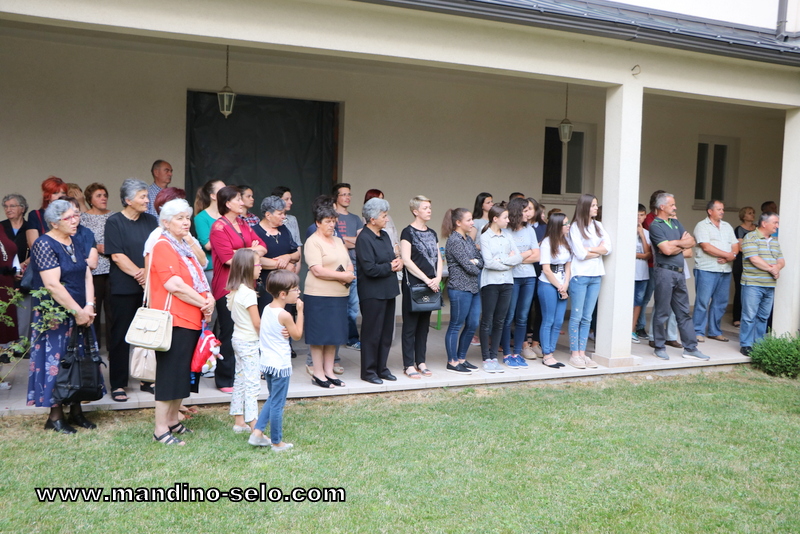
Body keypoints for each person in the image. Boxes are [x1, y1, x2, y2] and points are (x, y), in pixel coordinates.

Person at [26, 199, 98, 433]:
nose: (75, 220)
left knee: (79, 359)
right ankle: (55, 417)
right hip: (56, 314)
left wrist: (88, 305)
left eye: (77, 215)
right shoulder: (44, 244)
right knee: (58, 363)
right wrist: (76, 311)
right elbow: (52, 285)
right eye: (70, 217)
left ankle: (76, 411)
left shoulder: (75, 240)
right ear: (54, 222)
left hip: (81, 310)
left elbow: (86, 273)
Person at [149, 199, 214, 445]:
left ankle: (173, 420)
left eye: (187, 217)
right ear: (165, 222)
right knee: (169, 375)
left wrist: (206, 301)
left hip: (191, 318)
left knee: (181, 373)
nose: (186, 222)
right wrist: (204, 301)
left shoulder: (183, 246)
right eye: (179, 218)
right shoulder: (163, 245)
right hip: (174, 320)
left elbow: (198, 275)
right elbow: (174, 284)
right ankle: (160, 429)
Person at [209, 186, 267, 393]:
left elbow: (262, 246)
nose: (242, 203)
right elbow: (228, 259)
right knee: (229, 331)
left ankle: (240, 373)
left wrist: (245, 251)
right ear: (227, 203)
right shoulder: (218, 227)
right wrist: (250, 250)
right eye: (238, 200)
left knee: (245, 330)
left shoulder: (243, 223)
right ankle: (224, 379)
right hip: (227, 287)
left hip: (247, 285)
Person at [105, 179, 159, 402]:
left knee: (149, 334)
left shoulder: (151, 220)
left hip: (149, 287)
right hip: (123, 288)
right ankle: (118, 383)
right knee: (120, 336)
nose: (147, 200)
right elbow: (116, 255)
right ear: (128, 200)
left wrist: (147, 275)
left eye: (147, 196)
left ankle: (147, 379)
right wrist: (140, 274)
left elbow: (157, 249)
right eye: (143, 197)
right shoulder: (114, 222)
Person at [648, 192, 709, 361]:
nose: (675, 207)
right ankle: (659, 346)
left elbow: (691, 243)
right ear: (662, 207)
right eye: (672, 205)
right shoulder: (656, 225)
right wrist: (679, 244)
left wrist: (674, 243)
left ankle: (690, 348)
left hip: (679, 273)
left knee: (683, 312)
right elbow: (666, 251)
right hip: (664, 273)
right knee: (662, 311)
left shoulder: (675, 222)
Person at [249, 269, 303, 451]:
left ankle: (257, 432)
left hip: (268, 362)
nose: (298, 292)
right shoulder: (286, 315)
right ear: (283, 294)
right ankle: (277, 441)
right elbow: (297, 335)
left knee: (273, 398)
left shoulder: (267, 309)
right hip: (280, 364)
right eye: (295, 289)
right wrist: (300, 312)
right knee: (278, 404)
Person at [304, 201, 353, 388]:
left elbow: (348, 262)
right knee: (319, 336)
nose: (332, 225)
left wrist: (348, 273)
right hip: (318, 296)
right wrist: (343, 275)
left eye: (334, 221)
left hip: (339, 295)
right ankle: (318, 373)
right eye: (327, 221)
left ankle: (329, 371)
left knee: (333, 335)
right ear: (318, 222)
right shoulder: (312, 241)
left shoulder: (339, 241)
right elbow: (317, 270)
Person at [355, 197, 403, 384]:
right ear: (372, 219)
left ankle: (382, 368)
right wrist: (390, 267)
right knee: (371, 333)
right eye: (384, 216)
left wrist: (397, 262)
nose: (388, 219)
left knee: (385, 333)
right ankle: (368, 371)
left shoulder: (384, 235)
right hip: (372, 293)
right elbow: (370, 269)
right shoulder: (364, 238)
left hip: (388, 290)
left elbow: (390, 258)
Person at [567, 194, 611, 369]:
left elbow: (608, 248)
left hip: (596, 274)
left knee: (587, 317)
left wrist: (591, 249)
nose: (596, 208)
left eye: (596, 205)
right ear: (585, 207)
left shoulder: (598, 225)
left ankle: (583, 353)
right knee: (577, 316)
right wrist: (597, 250)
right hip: (580, 275)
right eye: (593, 205)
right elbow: (579, 254)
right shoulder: (575, 228)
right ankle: (574, 354)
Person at [400, 195, 442, 379]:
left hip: (432, 283)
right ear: (415, 211)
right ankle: (408, 364)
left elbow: (439, 258)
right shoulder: (407, 232)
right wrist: (427, 279)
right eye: (425, 208)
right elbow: (406, 260)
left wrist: (438, 277)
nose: (429, 210)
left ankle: (421, 361)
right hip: (415, 283)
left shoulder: (432, 233)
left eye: (430, 207)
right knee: (410, 326)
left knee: (424, 326)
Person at [479, 204, 521, 372]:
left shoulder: (508, 236)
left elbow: (518, 257)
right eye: (505, 217)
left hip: (507, 283)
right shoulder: (485, 237)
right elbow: (488, 262)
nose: (508, 220)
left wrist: (501, 261)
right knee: (487, 320)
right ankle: (485, 358)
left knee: (500, 321)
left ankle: (493, 356)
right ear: (495, 219)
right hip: (490, 283)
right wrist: (508, 262)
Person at [500, 197, 540, 368]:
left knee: (523, 317)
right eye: (524, 211)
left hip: (529, 278)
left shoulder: (529, 229)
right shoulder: (506, 230)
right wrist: (526, 255)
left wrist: (516, 258)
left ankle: (518, 352)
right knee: (508, 316)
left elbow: (537, 255)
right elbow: (503, 257)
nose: (528, 214)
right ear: (517, 211)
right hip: (511, 278)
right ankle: (507, 354)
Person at [226, 249, 262, 433]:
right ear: (248, 267)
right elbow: (256, 323)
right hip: (249, 342)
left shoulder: (235, 290)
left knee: (240, 380)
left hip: (238, 339)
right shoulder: (248, 293)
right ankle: (254, 423)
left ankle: (239, 420)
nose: (261, 267)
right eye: (258, 264)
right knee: (252, 382)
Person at [442, 208, 482, 374]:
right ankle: (452, 362)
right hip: (460, 288)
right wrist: (473, 263)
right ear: (458, 223)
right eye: (469, 220)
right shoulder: (454, 240)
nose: (472, 223)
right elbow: (470, 267)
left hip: (473, 288)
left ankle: (462, 358)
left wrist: (474, 262)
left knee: (473, 324)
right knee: (456, 325)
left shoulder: (468, 240)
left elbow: (481, 261)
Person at [692, 200, 738, 343]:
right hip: (707, 269)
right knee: (702, 301)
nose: (722, 211)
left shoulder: (727, 226)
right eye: (719, 209)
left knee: (720, 302)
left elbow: (735, 245)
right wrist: (727, 255)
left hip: (724, 270)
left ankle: (714, 331)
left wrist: (733, 255)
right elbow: (706, 247)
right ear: (710, 211)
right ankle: (697, 331)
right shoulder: (702, 225)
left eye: (722, 209)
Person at [739, 212, 784, 356]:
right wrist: (773, 269)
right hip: (753, 284)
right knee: (749, 316)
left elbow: (781, 260)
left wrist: (777, 268)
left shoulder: (774, 241)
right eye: (775, 223)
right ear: (764, 224)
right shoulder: (750, 237)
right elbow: (754, 259)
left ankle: (759, 344)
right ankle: (746, 344)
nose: (777, 226)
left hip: (769, 285)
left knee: (763, 316)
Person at [251, 196, 300, 311]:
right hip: (266, 287)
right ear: (268, 215)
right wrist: (283, 264)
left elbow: (296, 255)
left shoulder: (284, 229)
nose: (284, 217)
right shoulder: (254, 231)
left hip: (286, 287)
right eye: (280, 213)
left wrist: (287, 257)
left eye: (284, 213)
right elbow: (254, 259)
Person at [80, 183, 114, 349]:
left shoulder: (114, 216)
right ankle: (93, 345)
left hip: (114, 268)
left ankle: (112, 346)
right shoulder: (83, 217)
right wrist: (97, 248)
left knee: (112, 310)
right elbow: (81, 241)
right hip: (94, 270)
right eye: (99, 195)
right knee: (94, 307)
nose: (103, 198)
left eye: (105, 195)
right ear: (90, 200)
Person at [537, 212, 571, 368]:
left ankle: (551, 350)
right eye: (565, 223)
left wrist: (565, 285)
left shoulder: (566, 241)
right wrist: (559, 286)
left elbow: (568, 266)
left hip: (562, 285)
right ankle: (547, 354)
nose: (568, 225)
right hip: (548, 285)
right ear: (558, 225)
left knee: (558, 321)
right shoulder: (547, 243)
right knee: (549, 320)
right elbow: (546, 269)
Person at [332, 183, 363, 351]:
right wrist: (345, 240)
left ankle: (351, 338)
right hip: (336, 267)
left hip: (354, 266)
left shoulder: (356, 218)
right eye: (343, 194)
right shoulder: (331, 217)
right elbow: (334, 241)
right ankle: (337, 337)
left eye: (349, 194)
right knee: (337, 304)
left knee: (353, 305)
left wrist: (344, 239)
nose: (347, 197)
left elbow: (359, 241)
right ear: (336, 197)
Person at [2, 194, 29, 341]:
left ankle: (22, 345)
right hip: (5, 275)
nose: (8, 209)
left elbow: (36, 249)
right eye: (5, 206)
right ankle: (6, 346)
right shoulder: (1, 227)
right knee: (6, 311)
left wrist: (23, 266)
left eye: (12, 206)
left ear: (22, 208)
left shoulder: (30, 227)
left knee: (24, 312)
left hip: (26, 274)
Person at [523, 197, 547, 359]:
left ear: (537, 210)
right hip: (524, 272)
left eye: (530, 209)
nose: (527, 212)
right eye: (524, 210)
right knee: (524, 310)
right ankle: (524, 344)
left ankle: (536, 343)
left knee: (540, 310)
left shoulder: (546, 228)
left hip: (542, 273)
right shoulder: (520, 228)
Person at [193, 179, 226, 290]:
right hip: (213, 269)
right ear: (213, 196)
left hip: (232, 267)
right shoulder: (201, 218)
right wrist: (230, 242)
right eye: (222, 190)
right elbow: (207, 244)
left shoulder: (228, 215)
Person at [26, 176, 68, 249]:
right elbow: (34, 245)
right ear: (47, 195)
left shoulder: (70, 215)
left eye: (63, 193)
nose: (60, 196)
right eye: (55, 193)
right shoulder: (35, 215)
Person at [732, 206, 756, 327]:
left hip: (755, 265)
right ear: (743, 216)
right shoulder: (739, 229)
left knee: (752, 291)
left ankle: (750, 317)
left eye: (753, 213)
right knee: (740, 290)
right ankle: (737, 317)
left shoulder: (757, 228)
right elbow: (741, 248)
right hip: (741, 264)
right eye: (749, 213)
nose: (752, 215)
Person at [270, 186, 303, 276]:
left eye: (290, 199)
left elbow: (297, 243)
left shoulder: (292, 219)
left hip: (293, 264)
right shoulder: (269, 219)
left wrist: (298, 266)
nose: (290, 202)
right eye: (286, 199)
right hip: (275, 266)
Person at [632, 204, 651, 343]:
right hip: (630, 273)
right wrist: (641, 255)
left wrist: (642, 235)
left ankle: (632, 330)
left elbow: (648, 254)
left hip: (643, 274)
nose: (639, 218)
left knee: (638, 302)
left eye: (642, 215)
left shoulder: (647, 233)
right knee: (627, 302)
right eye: (637, 215)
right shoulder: (626, 231)